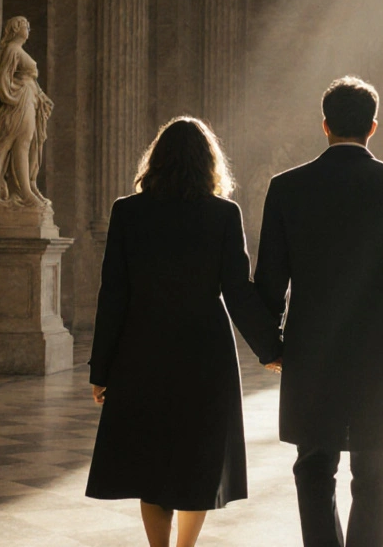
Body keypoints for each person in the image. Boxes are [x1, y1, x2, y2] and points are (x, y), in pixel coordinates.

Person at [255, 76, 383, 547]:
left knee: (314, 469)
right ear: (373, 127)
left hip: (311, 352)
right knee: (376, 474)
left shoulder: (286, 188)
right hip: (379, 354)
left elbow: (269, 283)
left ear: (324, 125)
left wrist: (269, 347)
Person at [86, 117, 282, 547]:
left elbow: (113, 294)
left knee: (151, 464)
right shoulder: (223, 215)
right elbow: (237, 291)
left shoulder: (127, 212)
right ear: (209, 164)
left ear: (155, 161)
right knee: (198, 461)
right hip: (204, 353)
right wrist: (271, 349)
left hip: (142, 351)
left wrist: (101, 369)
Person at [0, 16, 53, 209]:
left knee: (29, 145)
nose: (28, 29)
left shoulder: (17, 50)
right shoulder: (12, 50)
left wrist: (38, 95)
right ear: (16, 28)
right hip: (20, 103)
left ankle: (28, 187)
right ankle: (25, 191)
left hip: (28, 100)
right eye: (26, 25)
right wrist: (12, 99)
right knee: (20, 145)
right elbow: (1, 80)